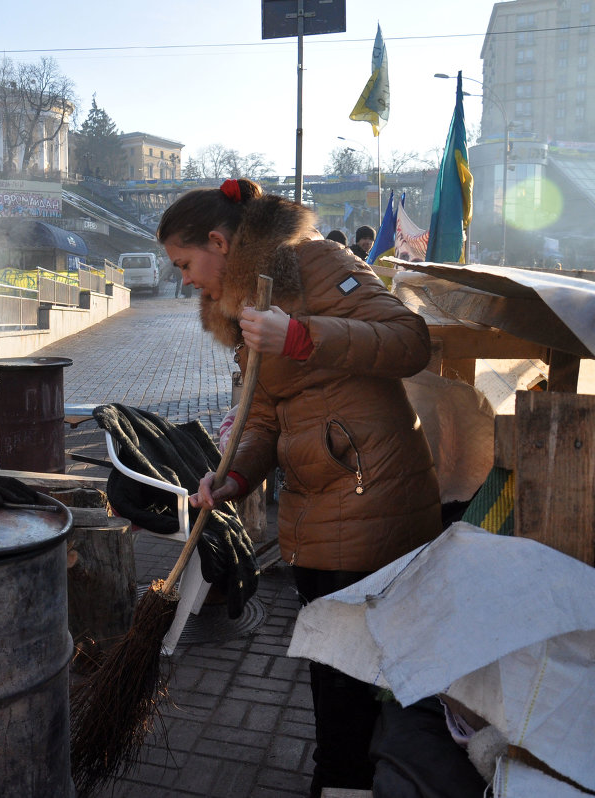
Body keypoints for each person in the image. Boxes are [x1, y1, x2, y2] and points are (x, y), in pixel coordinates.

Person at [160, 178, 441, 797]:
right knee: (334, 669)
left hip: (372, 495)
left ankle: (346, 781)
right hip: (316, 508)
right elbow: (263, 412)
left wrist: (303, 336)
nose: (183, 280)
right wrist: (232, 474)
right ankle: (345, 777)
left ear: (217, 241)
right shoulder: (239, 305)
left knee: (348, 674)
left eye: (184, 264)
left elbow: (410, 340)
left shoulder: (319, 261)